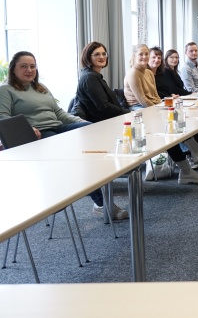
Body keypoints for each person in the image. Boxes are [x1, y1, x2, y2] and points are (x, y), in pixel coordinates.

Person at [0, 51, 127, 220]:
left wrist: (81, 122)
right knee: (77, 158)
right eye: (23, 66)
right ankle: (102, 203)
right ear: (13, 69)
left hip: (58, 127)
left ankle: (100, 194)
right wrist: (28, 128)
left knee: (91, 132)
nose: (29, 70)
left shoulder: (41, 88)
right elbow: (3, 118)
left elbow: (59, 113)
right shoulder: (6, 90)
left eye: (32, 66)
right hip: (37, 136)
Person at [125, 44, 198, 184]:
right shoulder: (133, 73)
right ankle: (190, 164)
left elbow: (155, 97)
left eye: (146, 54)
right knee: (169, 130)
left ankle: (193, 157)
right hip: (138, 111)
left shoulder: (149, 72)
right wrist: (161, 112)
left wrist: (165, 108)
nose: (144, 57)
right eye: (141, 54)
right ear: (134, 56)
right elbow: (142, 100)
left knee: (176, 118)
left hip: (152, 107)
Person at [72, 42, 128, 122]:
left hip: (110, 119)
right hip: (100, 124)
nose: (102, 57)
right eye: (97, 54)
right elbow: (104, 107)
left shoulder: (95, 76)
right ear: (88, 57)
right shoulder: (89, 78)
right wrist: (127, 112)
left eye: (104, 54)